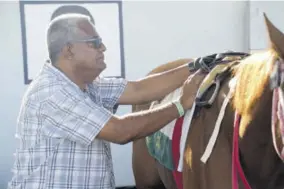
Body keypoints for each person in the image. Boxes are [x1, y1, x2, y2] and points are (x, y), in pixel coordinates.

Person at [8, 13, 205, 189]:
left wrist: (199, 65)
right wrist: (180, 105)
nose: (103, 47)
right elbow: (120, 131)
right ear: (69, 50)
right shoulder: (51, 91)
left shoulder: (87, 85)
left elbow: (140, 90)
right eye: (94, 42)